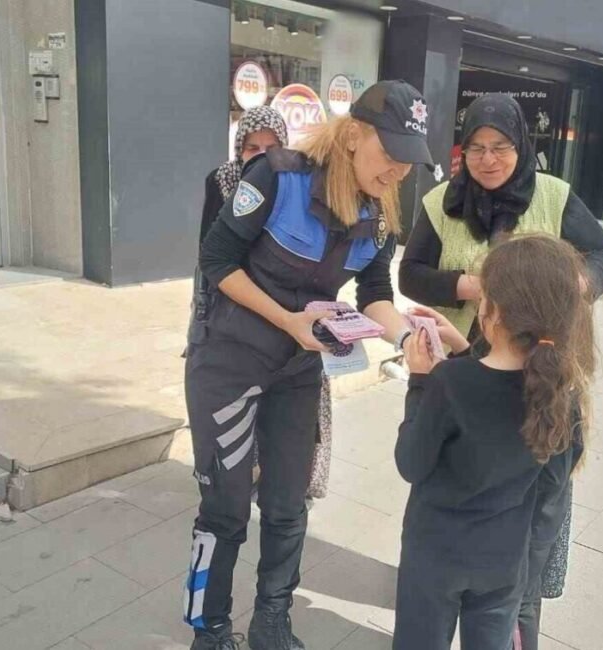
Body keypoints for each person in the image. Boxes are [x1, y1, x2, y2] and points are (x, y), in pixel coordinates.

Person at [184, 80, 435, 650]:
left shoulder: (381, 212)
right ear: (352, 135)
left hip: (297, 371)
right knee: (225, 508)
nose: (398, 171)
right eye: (390, 154)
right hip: (228, 362)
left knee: (288, 504)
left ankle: (272, 621)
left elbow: (375, 292)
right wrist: (287, 319)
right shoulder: (277, 176)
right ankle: (210, 629)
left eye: (408, 161)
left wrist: (407, 338)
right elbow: (216, 259)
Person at [398, 93, 603, 650]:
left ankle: (523, 607)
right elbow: (411, 274)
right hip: (471, 365)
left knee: (531, 528)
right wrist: (468, 288)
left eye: (500, 147)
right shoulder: (440, 202)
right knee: (496, 502)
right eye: (476, 148)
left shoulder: (554, 196)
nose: (488, 159)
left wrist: (568, 290)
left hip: (535, 370)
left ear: (522, 145)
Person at [392, 235, 592, 650]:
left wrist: (419, 381)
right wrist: (462, 346)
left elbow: (410, 462)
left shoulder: (449, 383)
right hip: (504, 558)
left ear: (492, 312)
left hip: (436, 553)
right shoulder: (559, 392)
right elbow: (551, 486)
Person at [189, 107, 332, 503]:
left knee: (287, 421)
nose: (263, 155)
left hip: (288, 323)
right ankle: (238, 481)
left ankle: (284, 480)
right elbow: (211, 255)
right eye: (253, 147)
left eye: (273, 147)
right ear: (239, 148)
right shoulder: (222, 181)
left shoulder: (296, 186)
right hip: (233, 310)